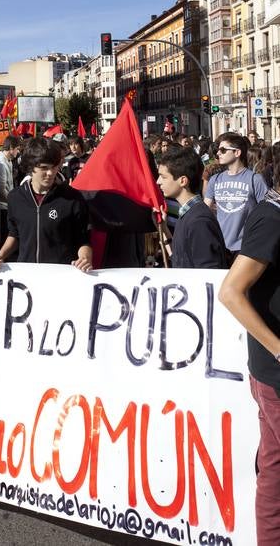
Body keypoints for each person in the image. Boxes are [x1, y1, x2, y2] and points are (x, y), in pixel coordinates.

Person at [219, 154, 280, 546]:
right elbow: (230, 292)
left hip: (269, 372)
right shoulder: (273, 219)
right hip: (274, 373)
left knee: (274, 468)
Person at [0, 137, 92, 269]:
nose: (50, 173)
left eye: (54, 167)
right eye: (44, 168)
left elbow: (83, 240)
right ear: (30, 167)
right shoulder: (15, 198)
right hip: (27, 276)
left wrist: (85, 258)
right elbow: (15, 234)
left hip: (61, 276)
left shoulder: (73, 198)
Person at [156, 147, 226, 269]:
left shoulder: (199, 221)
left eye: (164, 177)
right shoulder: (188, 214)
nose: (158, 181)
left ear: (183, 181)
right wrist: (164, 228)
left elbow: (209, 271)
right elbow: (180, 259)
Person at [205, 133, 268, 262]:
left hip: (246, 248)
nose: (218, 153)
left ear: (237, 152)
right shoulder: (214, 180)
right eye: (218, 150)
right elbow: (205, 211)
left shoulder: (255, 179)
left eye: (223, 150)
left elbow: (267, 212)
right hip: (220, 246)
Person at [0, 135, 20, 247]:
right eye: (17, 149)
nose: (18, 152)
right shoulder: (1, 164)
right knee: (2, 238)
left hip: (7, 205)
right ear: (11, 148)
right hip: (2, 207)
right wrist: (12, 201)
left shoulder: (8, 161)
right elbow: (1, 189)